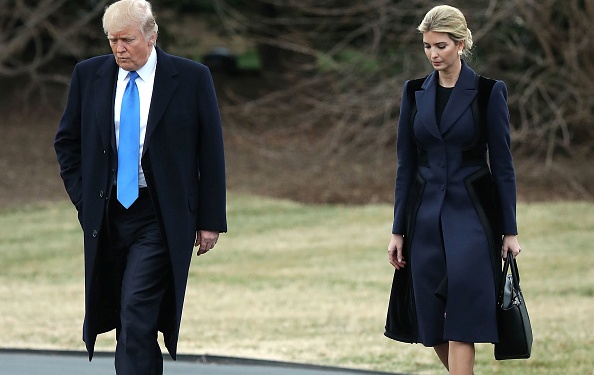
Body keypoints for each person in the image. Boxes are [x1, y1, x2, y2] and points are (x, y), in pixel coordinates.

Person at [54, 0, 227, 373]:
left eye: (127, 40)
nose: (119, 49)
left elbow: (210, 151)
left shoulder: (191, 78)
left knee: (136, 312)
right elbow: (67, 143)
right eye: (112, 40)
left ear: (151, 36)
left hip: (159, 215)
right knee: (123, 315)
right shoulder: (89, 75)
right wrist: (85, 199)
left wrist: (211, 219)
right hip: (107, 213)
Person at [384, 5, 521, 375]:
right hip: (423, 216)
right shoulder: (414, 93)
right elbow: (405, 165)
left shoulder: (488, 92)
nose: (433, 54)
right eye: (427, 46)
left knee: (463, 315)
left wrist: (510, 230)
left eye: (440, 46)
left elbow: (503, 165)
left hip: (473, 216)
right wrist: (398, 229)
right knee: (431, 320)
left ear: (460, 44)